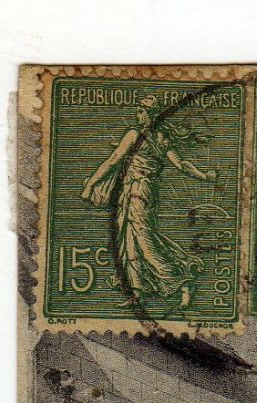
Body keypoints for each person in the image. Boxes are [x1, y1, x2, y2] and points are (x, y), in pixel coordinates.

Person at [81, 94, 219, 308]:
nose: (137, 115)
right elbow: (181, 164)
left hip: (137, 190)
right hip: (142, 192)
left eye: (141, 111)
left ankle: (181, 280)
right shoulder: (163, 138)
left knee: (143, 239)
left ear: (150, 114)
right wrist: (204, 176)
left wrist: (91, 184)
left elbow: (113, 160)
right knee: (130, 238)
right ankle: (138, 292)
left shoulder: (134, 135)